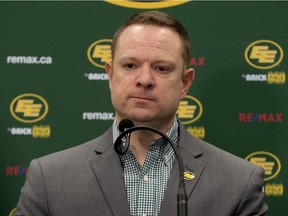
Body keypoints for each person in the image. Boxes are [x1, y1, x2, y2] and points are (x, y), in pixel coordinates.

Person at [15, 11, 268, 216]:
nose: (144, 79)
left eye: (161, 68)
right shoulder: (49, 178)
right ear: (110, 74)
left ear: (185, 83)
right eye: (130, 65)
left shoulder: (240, 182)